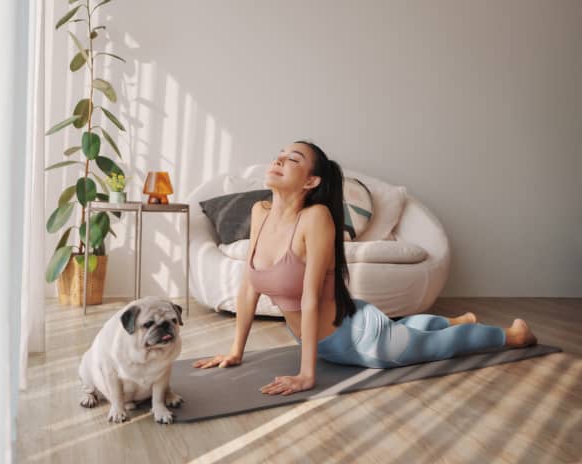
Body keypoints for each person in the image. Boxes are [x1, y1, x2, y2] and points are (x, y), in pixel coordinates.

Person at [192, 140, 538, 396]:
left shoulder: (316, 218)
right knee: (409, 330)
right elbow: (250, 286)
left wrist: (306, 375)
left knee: (440, 345)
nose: (279, 158)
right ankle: (459, 318)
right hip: (335, 327)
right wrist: (236, 352)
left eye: (293, 158)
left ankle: (512, 336)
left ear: (311, 182)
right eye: (280, 153)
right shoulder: (260, 212)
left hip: (363, 341)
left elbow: (310, 299)